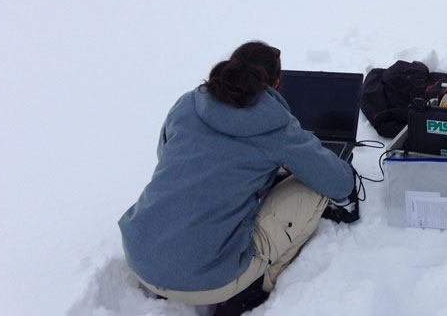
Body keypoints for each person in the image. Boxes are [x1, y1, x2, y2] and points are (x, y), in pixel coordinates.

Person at [119, 41, 358, 315]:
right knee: (315, 190)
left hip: (141, 257)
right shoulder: (274, 123)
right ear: (276, 85)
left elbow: (166, 154)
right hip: (209, 279)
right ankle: (255, 286)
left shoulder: (188, 103)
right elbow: (339, 184)